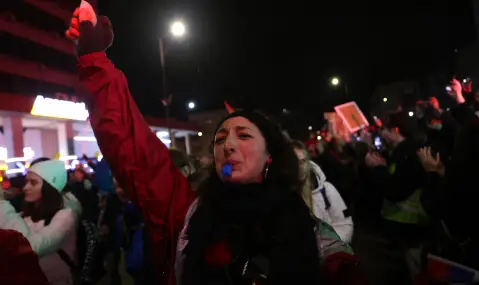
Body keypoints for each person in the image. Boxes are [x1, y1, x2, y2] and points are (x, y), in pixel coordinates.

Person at [66, 3, 363, 285]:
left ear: (270, 155)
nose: (228, 145)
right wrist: (94, 61)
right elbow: (132, 146)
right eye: (220, 138)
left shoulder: (303, 222)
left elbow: (336, 258)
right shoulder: (185, 211)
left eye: (244, 136)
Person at [0, 160, 80, 285]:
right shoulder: (26, 213)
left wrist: (2, 205)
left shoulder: (66, 216)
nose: (26, 187)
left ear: (49, 186)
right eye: (26, 181)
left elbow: (32, 247)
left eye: (33, 183)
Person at [292, 141, 354, 243]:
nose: (300, 167)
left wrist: (331, 247)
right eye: (295, 162)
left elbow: (344, 224)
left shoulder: (325, 189)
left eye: (303, 161)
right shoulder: (281, 195)